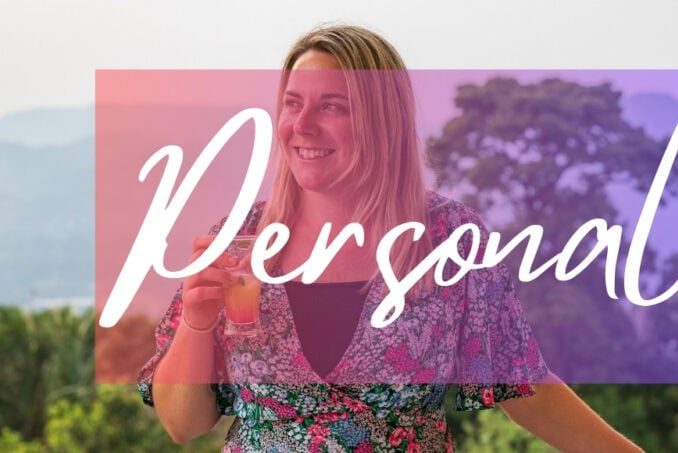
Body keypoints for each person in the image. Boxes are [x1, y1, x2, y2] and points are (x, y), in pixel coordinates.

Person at [138, 24, 643, 452]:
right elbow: (184, 424)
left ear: (383, 120)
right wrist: (198, 325)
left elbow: (521, 384)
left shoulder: (450, 239)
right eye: (293, 103)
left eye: (332, 106)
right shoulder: (238, 242)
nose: (303, 126)